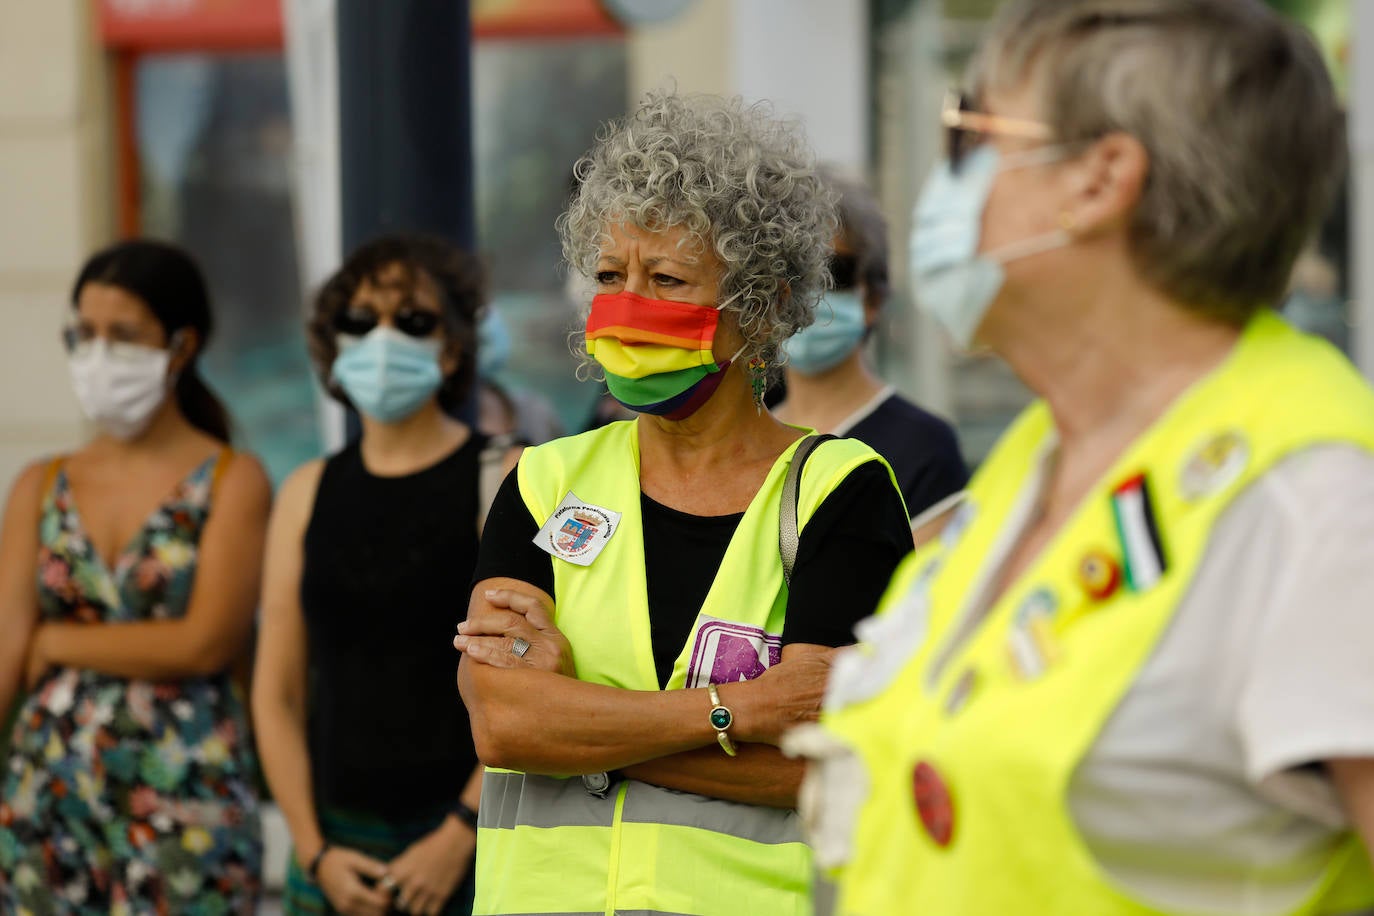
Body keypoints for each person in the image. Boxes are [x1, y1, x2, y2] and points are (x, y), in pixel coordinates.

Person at [795, 2, 1374, 914]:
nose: (945, 185)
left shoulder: (1318, 496)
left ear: (1100, 181)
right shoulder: (1047, 454)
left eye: (968, 135)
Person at [453, 91, 913, 916]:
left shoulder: (840, 494)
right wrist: (739, 709)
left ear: (764, 305)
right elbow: (504, 727)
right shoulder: (543, 482)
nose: (628, 307)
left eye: (666, 279)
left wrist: (583, 734)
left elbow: (826, 767)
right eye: (607, 276)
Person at [0, 239, 269, 913]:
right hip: (47, 794)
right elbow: (7, 645)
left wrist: (57, 644)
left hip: (186, 793)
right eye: (83, 333)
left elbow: (206, 641)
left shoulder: (232, 479)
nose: (97, 353)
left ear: (180, 347)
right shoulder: (41, 483)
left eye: (122, 335)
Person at [254, 235, 504, 916]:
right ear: (335, 345)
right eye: (360, 321)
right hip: (335, 846)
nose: (383, 338)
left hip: (468, 842)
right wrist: (313, 851)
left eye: (414, 321)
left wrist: (459, 833)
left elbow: (533, 682)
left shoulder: (505, 479)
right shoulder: (305, 491)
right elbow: (276, 693)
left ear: (451, 348)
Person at [775, 169, 968, 520]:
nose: (809, 295)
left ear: (873, 299)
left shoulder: (924, 447)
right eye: (793, 272)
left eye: (834, 273)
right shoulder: (746, 437)